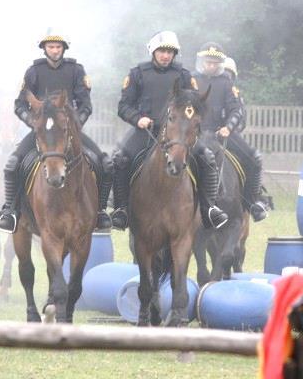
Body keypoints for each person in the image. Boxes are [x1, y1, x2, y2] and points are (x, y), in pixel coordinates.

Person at [0, 31, 113, 233]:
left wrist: (75, 125)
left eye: (58, 47)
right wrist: (32, 122)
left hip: (68, 130)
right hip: (41, 131)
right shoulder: (33, 71)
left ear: (64, 49)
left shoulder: (76, 70)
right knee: (12, 164)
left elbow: (86, 105)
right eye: (51, 47)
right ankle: (10, 212)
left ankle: (100, 211)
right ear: (44, 49)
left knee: (105, 163)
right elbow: (20, 105)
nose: (55, 50)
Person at [110, 31, 228, 231]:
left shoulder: (184, 75)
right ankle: (121, 209)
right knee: (120, 158)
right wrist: (138, 119)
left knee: (206, 157)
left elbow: (193, 103)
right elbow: (123, 106)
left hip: (177, 133)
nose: (166, 55)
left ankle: (209, 208)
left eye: (170, 52)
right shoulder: (137, 73)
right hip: (146, 130)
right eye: (162, 51)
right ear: (153, 51)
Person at [192, 42, 268, 222]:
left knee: (254, 158)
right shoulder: (191, 80)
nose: (211, 66)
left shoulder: (226, 82)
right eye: (208, 62)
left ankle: (252, 202)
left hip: (221, 132)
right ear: (202, 61)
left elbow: (236, 109)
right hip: (195, 133)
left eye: (215, 63)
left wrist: (228, 127)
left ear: (220, 63)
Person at [223, 57, 246, 133]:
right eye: (224, 73)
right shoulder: (211, 90)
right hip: (209, 133)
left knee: (243, 145)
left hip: (229, 133)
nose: (226, 76)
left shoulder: (235, 94)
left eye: (228, 74)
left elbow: (242, 121)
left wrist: (230, 129)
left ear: (233, 76)